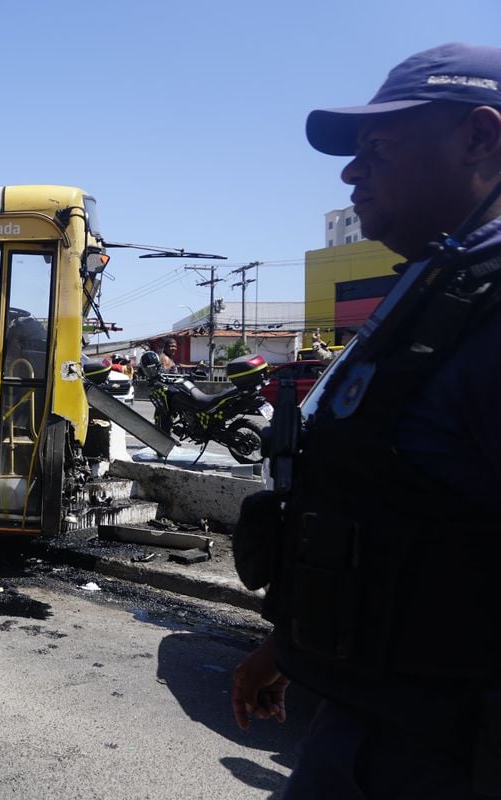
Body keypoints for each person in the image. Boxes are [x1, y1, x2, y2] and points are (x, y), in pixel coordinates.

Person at [231, 43, 501, 797]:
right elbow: (387, 502)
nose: (352, 173)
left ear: (481, 139)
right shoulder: (438, 287)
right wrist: (290, 645)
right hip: (370, 721)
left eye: (377, 148)